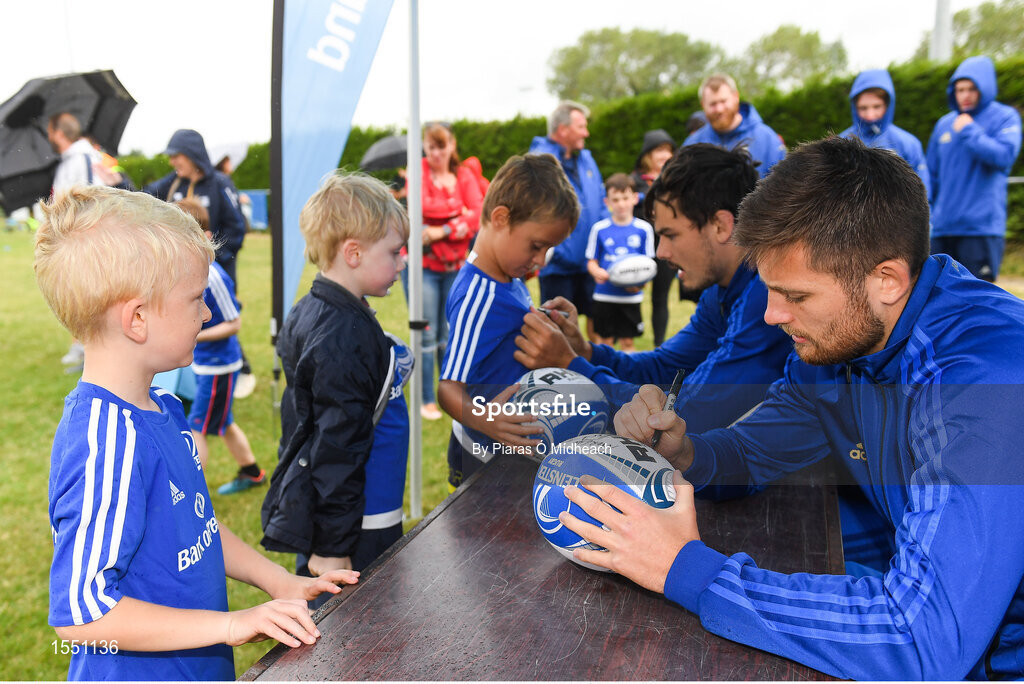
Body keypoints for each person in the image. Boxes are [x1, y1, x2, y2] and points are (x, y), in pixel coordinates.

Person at [557, 136, 1024, 680]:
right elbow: (754, 454)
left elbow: (919, 639)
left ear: (887, 280)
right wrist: (682, 451)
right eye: (770, 290)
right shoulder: (840, 343)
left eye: (795, 296)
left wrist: (684, 569)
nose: (773, 316)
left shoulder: (983, 379)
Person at [37, 185, 359, 681]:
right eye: (195, 299)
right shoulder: (106, 441)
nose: (207, 313)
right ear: (137, 318)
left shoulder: (163, 406)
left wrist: (281, 582)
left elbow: (197, 525)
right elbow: (83, 617)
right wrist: (229, 626)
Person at [515, 144, 792, 435]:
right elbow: (664, 366)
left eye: (670, 235)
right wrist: (585, 352)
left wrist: (572, 366)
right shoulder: (723, 290)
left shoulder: (767, 295)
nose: (660, 252)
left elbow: (683, 416)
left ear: (721, 225)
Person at [261, 172, 409, 587]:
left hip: (336, 507)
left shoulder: (310, 308)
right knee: (357, 629)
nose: (403, 262)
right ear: (354, 253)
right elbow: (336, 446)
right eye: (395, 252)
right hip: (355, 520)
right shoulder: (343, 335)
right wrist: (331, 547)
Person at [437, 154, 579, 488]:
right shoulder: (479, 294)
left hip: (510, 451)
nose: (540, 260)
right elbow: (447, 389)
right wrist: (489, 422)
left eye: (548, 250)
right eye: (536, 245)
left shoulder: (506, 277)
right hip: (483, 457)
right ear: (500, 218)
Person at [173, 198, 265, 496]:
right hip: (205, 364)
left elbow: (234, 323)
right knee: (223, 423)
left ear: (205, 237)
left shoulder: (213, 276)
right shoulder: (189, 274)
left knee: (196, 427)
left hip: (219, 366)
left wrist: (191, 335)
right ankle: (252, 472)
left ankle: (190, 494)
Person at [927, 55, 1023, 282]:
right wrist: (929, 214)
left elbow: (1004, 156)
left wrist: (970, 131)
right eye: (960, 89)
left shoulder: (1004, 117)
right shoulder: (944, 124)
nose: (965, 95)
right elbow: (931, 175)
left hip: (980, 230)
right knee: (935, 299)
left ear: (985, 88)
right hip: (942, 229)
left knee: (977, 302)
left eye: (971, 89)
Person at [414, 122, 484, 421]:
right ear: (425, 147)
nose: (437, 153)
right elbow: (418, 207)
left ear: (452, 145)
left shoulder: (464, 175)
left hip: (456, 265)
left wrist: (440, 228)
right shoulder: (417, 171)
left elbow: (478, 214)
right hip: (425, 266)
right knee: (427, 334)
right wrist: (459, 215)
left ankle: (451, 391)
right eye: (432, 146)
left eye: (442, 146)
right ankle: (426, 398)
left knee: (451, 332)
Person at [529, 101, 607, 339]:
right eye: (581, 126)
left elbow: (600, 201)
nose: (587, 133)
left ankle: (595, 372)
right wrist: (558, 251)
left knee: (598, 322)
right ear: (562, 129)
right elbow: (533, 212)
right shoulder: (538, 162)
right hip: (558, 268)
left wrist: (603, 246)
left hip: (589, 264)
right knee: (559, 329)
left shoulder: (587, 160)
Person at [144, 129, 247, 285]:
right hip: (180, 277)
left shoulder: (220, 183)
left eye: (175, 156)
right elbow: (143, 198)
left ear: (192, 154)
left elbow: (236, 229)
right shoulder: (173, 181)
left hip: (214, 277)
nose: (172, 162)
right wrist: (118, 182)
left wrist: (210, 255)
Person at [47, 112, 105, 371]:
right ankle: (82, 349)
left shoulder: (82, 158)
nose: (49, 137)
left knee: (89, 297)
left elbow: (91, 201)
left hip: (86, 242)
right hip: (72, 240)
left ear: (59, 133)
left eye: (50, 131)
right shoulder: (69, 160)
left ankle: (90, 354)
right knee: (76, 296)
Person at [584, 173, 654, 351]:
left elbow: (648, 265)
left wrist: (639, 284)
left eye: (625, 198)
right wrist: (596, 272)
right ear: (607, 202)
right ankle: (604, 377)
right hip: (604, 295)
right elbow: (591, 261)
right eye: (615, 199)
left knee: (628, 342)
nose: (621, 204)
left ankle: (626, 377)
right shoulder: (599, 229)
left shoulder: (644, 229)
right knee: (604, 341)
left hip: (630, 297)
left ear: (635, 198)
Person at [839, 69, 930, 197]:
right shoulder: (843, 142)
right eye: (863, 108)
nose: (870, 115)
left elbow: (923, 194)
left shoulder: (907, 143)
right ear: (855, 107)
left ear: (888, 105)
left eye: (876, 106)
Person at [685, 74, 786, 178]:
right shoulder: (692, 144)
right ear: (703, 105)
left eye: (723, 101)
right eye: (713, 104)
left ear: (735, 97)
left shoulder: (768, 139)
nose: (719, 109)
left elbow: (784, 186)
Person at [630, 129, 678, 347]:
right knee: (629, 297)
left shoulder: (675, 181)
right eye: (659, 150)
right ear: (648, 153)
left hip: (665, 249)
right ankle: (625, 341)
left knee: (660, 299)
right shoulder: (633, 181)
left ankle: (659, 344)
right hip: (636, 251)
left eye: (668, 150)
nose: (664, 155)